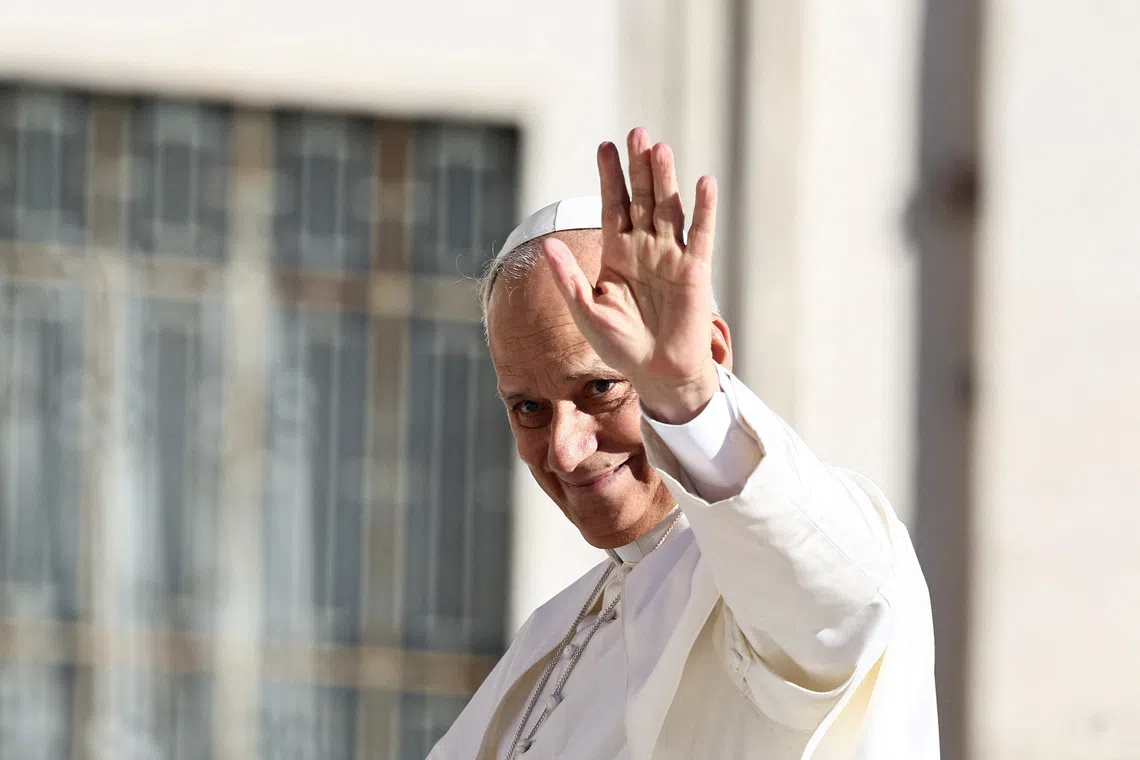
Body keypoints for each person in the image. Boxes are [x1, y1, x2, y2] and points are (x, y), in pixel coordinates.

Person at [428, 128, 938, 759]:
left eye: (601, 387)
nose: (564, 449)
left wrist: (693, 399)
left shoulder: (778, 583)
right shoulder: (550, 636)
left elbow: (844, 601)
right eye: (529, 408)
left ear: (714, 353)